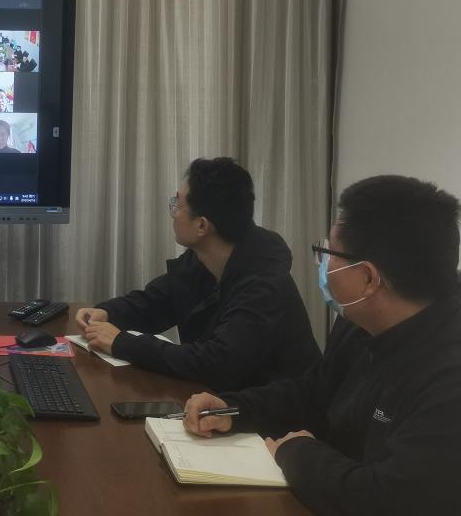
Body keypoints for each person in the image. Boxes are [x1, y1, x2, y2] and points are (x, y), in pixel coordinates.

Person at [183, 175, 461, 514]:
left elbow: (384, 499)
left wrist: (296, 451)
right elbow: (314, 392)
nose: (324, 266)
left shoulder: (449, 377)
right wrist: (231, 408)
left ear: (368, 278)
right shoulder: (360, 321)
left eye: (328, 253)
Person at [76, 157, 319, 391]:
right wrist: (108, 313)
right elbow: (156, 302)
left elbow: (215, 363)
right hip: (218, 402)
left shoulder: (265, 284)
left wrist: (122, 343)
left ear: (202, 225)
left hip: (273, 414)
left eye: (178, 205)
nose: (173, 214)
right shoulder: (203, 258)